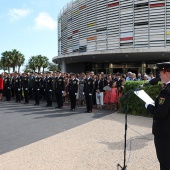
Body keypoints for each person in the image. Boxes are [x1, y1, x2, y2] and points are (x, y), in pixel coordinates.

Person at [145, 62, 170, 170]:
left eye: (160, 72)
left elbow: (160, 114)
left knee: (165, 163)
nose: (159, 75)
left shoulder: (166, 92)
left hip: (164, 134)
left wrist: (148, 106)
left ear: (167, 73)